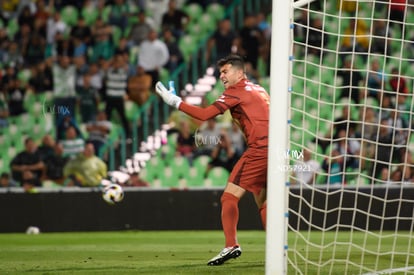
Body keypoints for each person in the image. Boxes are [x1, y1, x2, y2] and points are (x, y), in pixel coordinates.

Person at [155, 54, 269, 265]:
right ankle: (276, 249)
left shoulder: (235, 92)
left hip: (261, 148)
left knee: (229, 197)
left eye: (226, 71)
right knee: (263, 200)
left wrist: (176, 102)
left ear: (240, 72)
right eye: (220, 73)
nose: (222, 76)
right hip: (276, 148)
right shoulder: (259, 89)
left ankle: (231, 245)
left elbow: (205, 115)